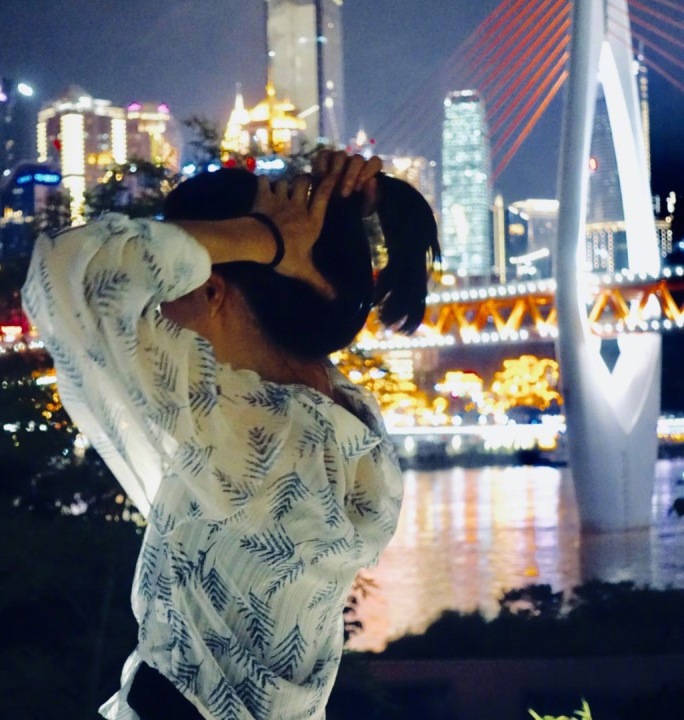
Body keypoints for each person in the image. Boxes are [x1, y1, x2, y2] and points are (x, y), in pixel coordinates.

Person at [22, 151, 439, 719]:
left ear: (211, 290)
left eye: (175, 281)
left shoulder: (238, 426)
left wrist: (266, 237)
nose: (159, 308)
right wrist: (332, 219)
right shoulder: (348, 424)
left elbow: (68, 271)